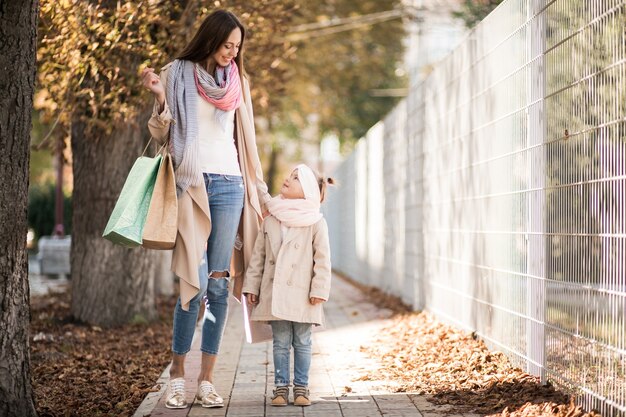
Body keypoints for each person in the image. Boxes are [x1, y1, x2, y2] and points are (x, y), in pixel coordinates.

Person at [141, 10, 271, 409]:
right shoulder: (176, 73)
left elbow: (246, 141)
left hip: (230, 184)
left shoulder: (238, 82)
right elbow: (161, 133)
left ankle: (207, 380)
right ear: (210, 39)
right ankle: (177, 376)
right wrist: (160, 99)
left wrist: (260, 191)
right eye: (226, 45)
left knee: (217, 287)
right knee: (189, 287)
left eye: (237, 47)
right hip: (191, 184)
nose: (232, 53)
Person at [242, 164, 333, 407]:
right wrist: (252, 286)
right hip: (276, 293)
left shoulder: (315, 222)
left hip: (304, 295)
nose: (288, 179)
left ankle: (302, 388)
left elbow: (323, 260)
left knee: (302, 341)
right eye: (290, 175)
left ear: (308, 191)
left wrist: (319, 290)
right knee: (281, 341)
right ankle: (280, 388)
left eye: (296, 178)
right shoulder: (271, 219)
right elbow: (258, 258)